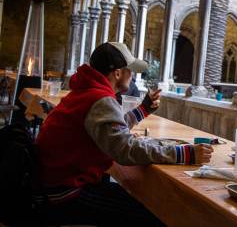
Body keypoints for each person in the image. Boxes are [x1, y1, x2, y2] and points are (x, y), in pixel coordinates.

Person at [34, 42, 214, 226]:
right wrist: (184, 153)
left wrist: (142, 110)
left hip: (52, 184)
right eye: (130, 70)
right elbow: (124, 149)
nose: (133, 75)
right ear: (117, 73)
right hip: (65, 193)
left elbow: (107, 131)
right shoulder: (100, 99)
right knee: (159, 214)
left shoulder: (87, 91)